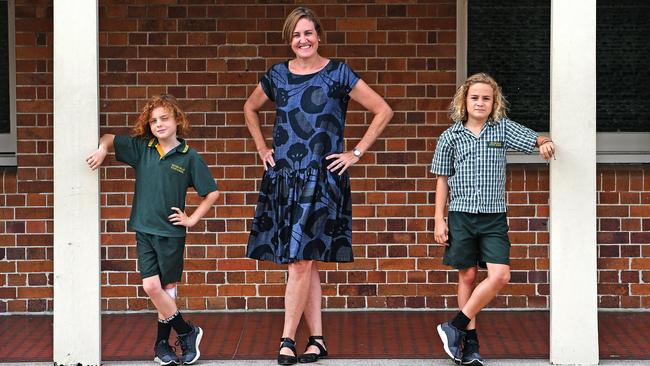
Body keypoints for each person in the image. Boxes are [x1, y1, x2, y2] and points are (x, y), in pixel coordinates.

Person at [244, 7, 393, 365]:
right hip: (284, 179)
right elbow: (250, 108)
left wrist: (355, 153)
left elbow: (382, 109)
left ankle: (285, 340)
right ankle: (318, 340)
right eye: (296, 35)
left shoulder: (338, 73)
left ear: (319, 36)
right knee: (306, 263)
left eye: (308, 33)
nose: (303, 40)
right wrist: (263, 147)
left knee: (299, 262)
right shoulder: (277, 75)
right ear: (290, 40)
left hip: (322, 181)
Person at [86, 94, 219, 366]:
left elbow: (212, 193)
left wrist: (191, 219)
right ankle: (186, 331)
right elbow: (110, 138)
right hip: (143, 229)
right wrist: (102, 149)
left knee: (167, 289)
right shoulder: (142, 148)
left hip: (170, 233)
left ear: (177, 120)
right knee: (151, 286)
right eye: (153, 120)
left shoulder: (189, 156)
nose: (158, 124)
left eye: (164, 118)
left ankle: (161, 345)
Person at [431, 73, 555, 366]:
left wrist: (544, 142)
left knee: (500, 274)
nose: (480, 102)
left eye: (486, 98)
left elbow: (532, 137)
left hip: (493, 218)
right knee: (468, 276)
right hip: (461, 215)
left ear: (494, 102)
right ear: (464, 100)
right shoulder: (450, 137)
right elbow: (441, 180)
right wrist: (439, 219)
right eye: (474, 97)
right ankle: (469, 345)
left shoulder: (501, 129)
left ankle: (455, 326)